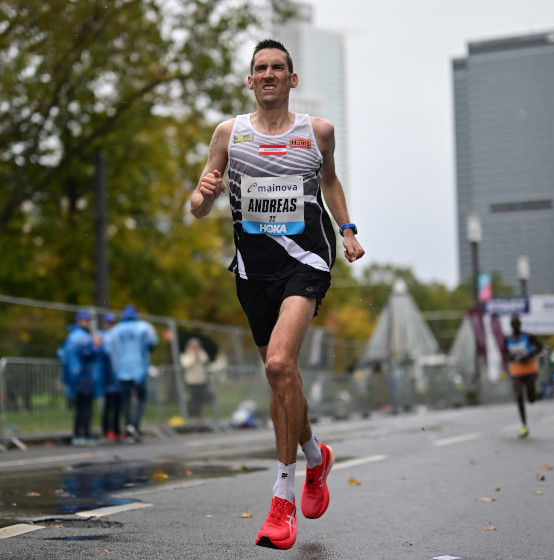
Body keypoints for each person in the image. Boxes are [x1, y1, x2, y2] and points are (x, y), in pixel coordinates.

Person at [190, 39, 364, 550]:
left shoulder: (318, 132)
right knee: (280, 376)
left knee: (280, 366)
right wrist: (202, 196)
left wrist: (348, 229)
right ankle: (315, 456)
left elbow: (329, 181)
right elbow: (199, 203)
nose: (268, 74)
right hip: (253, 270)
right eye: (260, 68)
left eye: (278, 68)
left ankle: (282, 495)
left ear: (291, 79)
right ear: (250, 81)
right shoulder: (229, 133)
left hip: (306, 260)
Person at [107, 305, 158, 442]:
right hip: (139, 369)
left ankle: (129, 425)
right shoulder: (144, 327)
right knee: (141, 399)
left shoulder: (116, 330)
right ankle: (136, 424)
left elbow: (111, 351)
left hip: (122, 370)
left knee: (125, 401)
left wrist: (115, 370)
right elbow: (151, 345)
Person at [58, 311, 101, 445]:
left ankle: (78, 434)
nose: (87, 323)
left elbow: (63, 355)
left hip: (75, 377)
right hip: (84, 376)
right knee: (86, 407)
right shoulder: (82, 337)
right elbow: (90, 354)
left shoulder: (71, 337)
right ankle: (85, 435)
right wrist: (97, 345)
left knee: (80, 407)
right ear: (79, 321)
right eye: (86, 321)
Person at [505, 314, 543, 439]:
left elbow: (540, 347)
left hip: (530, 368)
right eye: (513, 323)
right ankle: (524, 426)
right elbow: (505, 353)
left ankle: (535, 390)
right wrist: (509, 357)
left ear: (520, 325)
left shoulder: (528, 336)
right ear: (511, 325)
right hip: (516, 369)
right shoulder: (508, 339)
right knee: (519, 395)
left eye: (517, 323)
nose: (515, 326)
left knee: (531, 399)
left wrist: (529, 356)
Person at [97, 313, 121, 441]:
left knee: (117, 404)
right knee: (108, 404)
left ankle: (116, 429)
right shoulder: (101, 336)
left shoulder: (116, 336)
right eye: (108, 323)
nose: (110, 325)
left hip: (117, 374)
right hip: (107, 375)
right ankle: (107, 429)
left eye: (112, 323)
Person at [180, 337, 210, 419]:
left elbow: (205, 360)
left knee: (200, 399)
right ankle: (192, 415)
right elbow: (187, 364)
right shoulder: (186, 355)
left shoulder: (201, 353)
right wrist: (193, 354)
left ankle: (198, 415)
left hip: (201, 380)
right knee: (193, 398)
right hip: (191, 381)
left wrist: (198, 353)